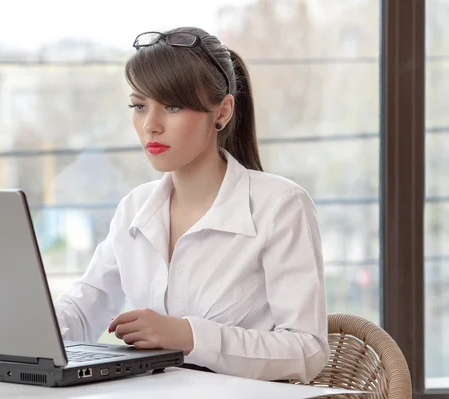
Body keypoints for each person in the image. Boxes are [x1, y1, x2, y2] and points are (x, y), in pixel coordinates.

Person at [53, 27, 329, 383]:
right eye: (139, 106)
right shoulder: (134, 208)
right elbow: (83, 308)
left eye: (172, 106)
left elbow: (306, 351)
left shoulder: (280, 206)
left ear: (222, 112)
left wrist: (189, 336)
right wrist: (25, 328)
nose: (150, 125)